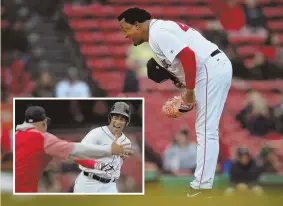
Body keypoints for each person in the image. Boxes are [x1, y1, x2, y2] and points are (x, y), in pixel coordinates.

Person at [117, 8, 233, 198]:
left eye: (125, 29)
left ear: (137, 25)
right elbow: (184, 62)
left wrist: (188, 93)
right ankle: (203, 185)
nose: (125, 35)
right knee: (206, 128)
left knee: (206, 129)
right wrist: (184, 87)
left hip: (210, 68)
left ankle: (202, 187)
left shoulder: (157, 33)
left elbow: (188, 56)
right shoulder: (157, 34)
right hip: (211, 68)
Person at [15, 106, 133, 193]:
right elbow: (76, 151)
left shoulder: (14, 135)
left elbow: (75, 157)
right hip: (24, 192)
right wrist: (109, 150)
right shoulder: (42, 138)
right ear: (43, 122)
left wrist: (102, 166)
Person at [73, 102, 132, 193]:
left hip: (110, 186)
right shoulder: (96, 133)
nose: (118, 122)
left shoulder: (126, 142)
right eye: (115, 118)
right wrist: (99, 165)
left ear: (126, 122)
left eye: (122, 119)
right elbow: (77, 155)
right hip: (89, 183)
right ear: (110, 118)